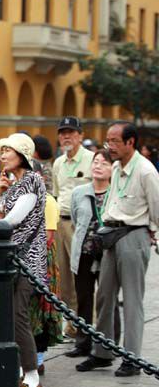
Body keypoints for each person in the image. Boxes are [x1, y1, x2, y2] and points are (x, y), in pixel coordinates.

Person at [77, 122, 159, 377]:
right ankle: (103, 352)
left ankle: (131, 359)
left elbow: (157, 207)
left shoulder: (146, 171)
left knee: (132, 299)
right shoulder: (115, 166)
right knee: (105, 295)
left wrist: (154, 237)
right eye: (107, 141)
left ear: (130, 142)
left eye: (114, 141)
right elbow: (112, 199)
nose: (109, 146)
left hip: (134, 234)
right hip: (110, 234)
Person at [0, 132, 47, 387]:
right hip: (11, 259)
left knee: (19, 314)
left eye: (8, 151)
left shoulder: (32, 181)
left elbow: (9, 221)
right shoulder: (14, 184)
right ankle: (20, 368)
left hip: (27, 260)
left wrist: (2, 210)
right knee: (12, 314)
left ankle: (32, 372)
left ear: (22, 153)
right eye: (2, 151)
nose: (3, 156)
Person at [66, 149, 121, 358]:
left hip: (108, 254)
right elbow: (75, 219)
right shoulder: (79, 192)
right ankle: (83, 342)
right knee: (83, 298)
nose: (98, 166)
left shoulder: (116, 192)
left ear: (113, 169)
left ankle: (111, 343)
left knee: (109, 299)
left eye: (104, 163)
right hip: (84, 253)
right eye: (95, 162)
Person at [51, 116, 92, 339]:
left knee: (81, 276)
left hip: (80, 225)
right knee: (63, 278)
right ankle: (71, 324)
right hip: (60, 222)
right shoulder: (58, 163)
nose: (66, 136)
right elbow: (57, 194)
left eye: (71, 132)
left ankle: (86, 325)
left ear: (80, 136)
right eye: (62, 132)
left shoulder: (91, 160)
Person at [29, 171, 62, 376]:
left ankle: (38, 357)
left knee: (40, 309)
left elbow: (47, 237)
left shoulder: (48, 201)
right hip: (23, 257)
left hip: (41, 259)